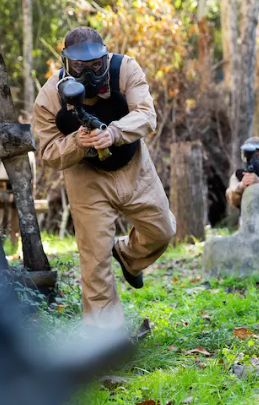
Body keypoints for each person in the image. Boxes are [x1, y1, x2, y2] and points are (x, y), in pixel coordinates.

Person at [33, 26, 176, 329]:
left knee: (162, 231)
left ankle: (126, 254)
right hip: (86, 178)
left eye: (96, 65)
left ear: (106, 57)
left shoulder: (125, 69)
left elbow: (147, 114)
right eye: (80, 67)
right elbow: (46, 152)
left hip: (134, 166)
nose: (89, 73)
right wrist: (77, 142)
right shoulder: (49, 96)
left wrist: (113, 133)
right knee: (95, 264)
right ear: (66, 62)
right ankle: (105, 340)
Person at [226, 136, 259, 209]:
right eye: (248, 155)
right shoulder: (238, 175)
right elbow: (231, 198)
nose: (253, 159)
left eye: (258, 155)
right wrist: (242, 186)